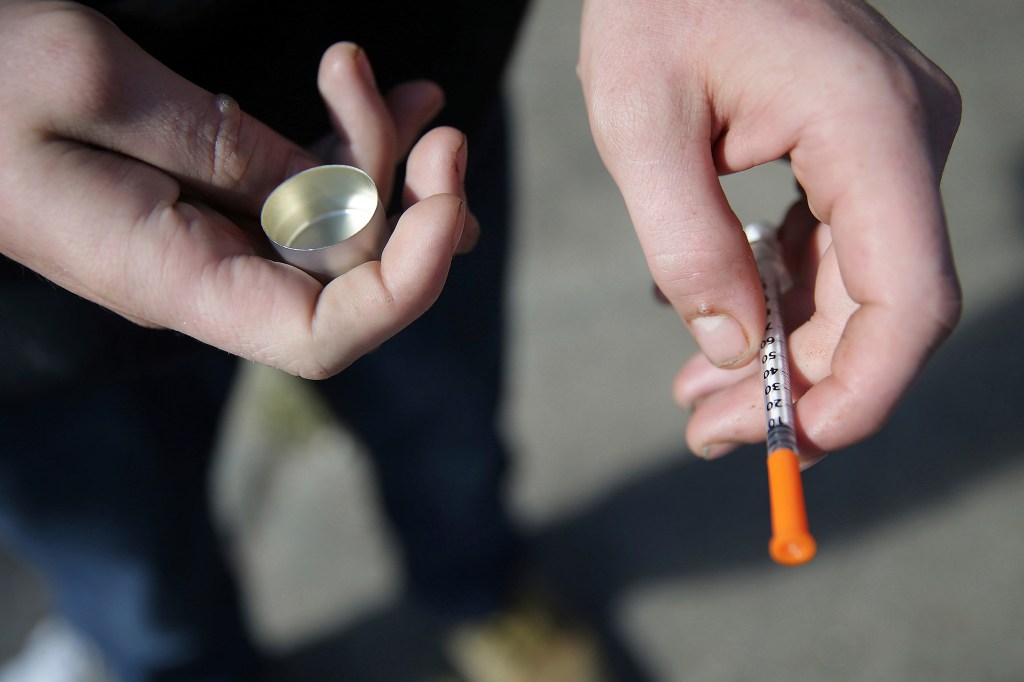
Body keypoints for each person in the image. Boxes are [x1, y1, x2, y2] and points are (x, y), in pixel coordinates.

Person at [0, 0, 961, 680]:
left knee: (444, 431)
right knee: (125, 553)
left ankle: (479, 589)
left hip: (415, 106)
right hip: (32, 291)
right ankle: (177, 669)